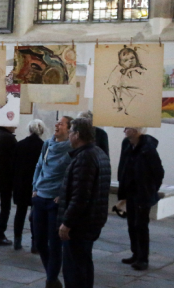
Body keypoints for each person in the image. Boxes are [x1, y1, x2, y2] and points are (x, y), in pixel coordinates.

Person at [58, 118, 111, 288]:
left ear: (77, 135)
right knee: (84, 263)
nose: (69, 135)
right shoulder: (98, 153)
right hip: (93, 219)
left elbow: (80, 196)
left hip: (81, 224)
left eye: (70, 132)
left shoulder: (85, 157)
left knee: (74, 269)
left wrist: (67, 223)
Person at [31, 116, 73, 288]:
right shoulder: (48, 144)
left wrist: (63, 194)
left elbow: (72, 173)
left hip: (55, 201)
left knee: (55, 243)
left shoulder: (71, 147)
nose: (56, 125)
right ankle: (52, 277)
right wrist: (35, 187)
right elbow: (39, 165)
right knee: (40, 242)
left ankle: (50, 280)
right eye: (56, 122)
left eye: (61, 123)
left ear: (69, 129)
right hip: (40, 196)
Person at [116, 127, 164, 271]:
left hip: (142, 193)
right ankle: (135, 253)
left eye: (128, 127)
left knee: (141, 225)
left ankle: (143, 258)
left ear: (136, 130)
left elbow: (158, 172)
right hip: (130, 191)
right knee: (131, 224)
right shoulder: (127, 144)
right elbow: (123, 166)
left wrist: (149, 189)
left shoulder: (148, 148)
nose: (124, 130)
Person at [12, 120, 45, 251]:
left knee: (20, 212)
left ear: (29, 130)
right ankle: (35, 243)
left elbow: (13, 165)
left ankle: (17, 241)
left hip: (21, 183)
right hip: (36, 184)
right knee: (35, 214)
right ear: (41, 130)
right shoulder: (43, 146)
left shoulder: (20, 144)